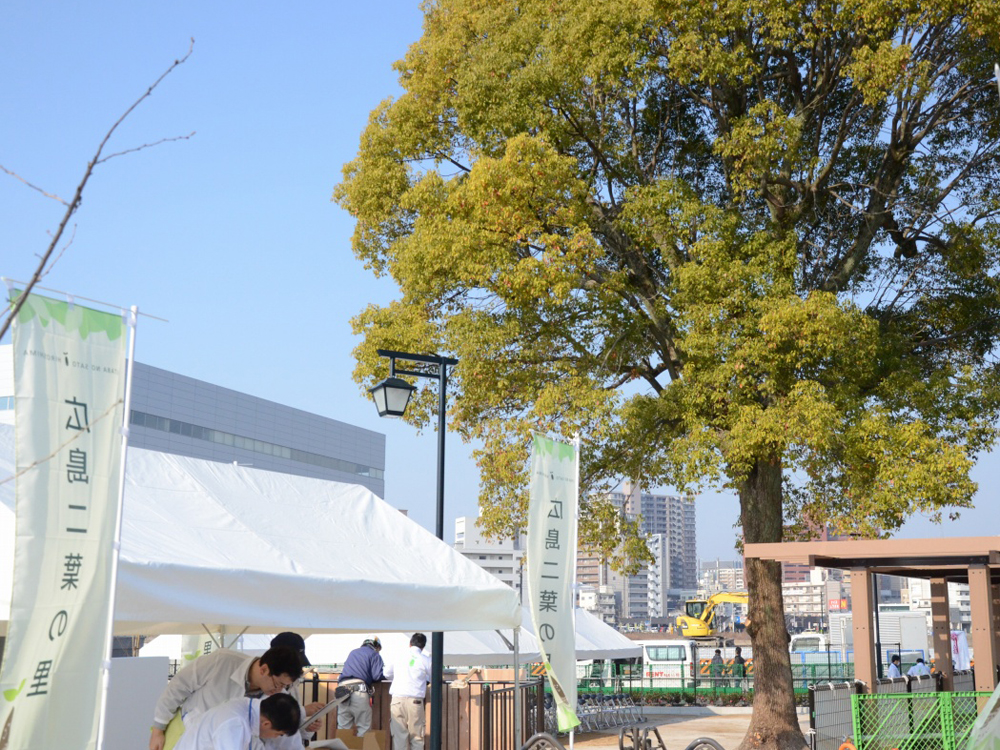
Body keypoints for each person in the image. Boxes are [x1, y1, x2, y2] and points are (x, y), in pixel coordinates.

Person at [149, 645, 304, 750]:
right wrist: (158, 728)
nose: (280, 690)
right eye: (278, 684)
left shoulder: (275, 699)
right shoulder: (222, 661)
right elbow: (178, 686)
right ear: (264, 670)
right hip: (184, 732)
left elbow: (287, 739)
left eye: (285, 686)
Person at [173, 693, 301, 750]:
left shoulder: (244, 706)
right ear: (266, 724)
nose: (275, 738)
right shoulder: (234, 724)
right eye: (278, 734)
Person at [385, 633, 433, 750]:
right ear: (423, 647)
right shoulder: (426, 660)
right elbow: (434, 678)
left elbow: (386, 674)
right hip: (415, 702)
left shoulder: (398, 656)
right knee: (416, 737)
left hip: (397, 700)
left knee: (399, 737)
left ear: (410, 643)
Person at [338, 637, 385, 736]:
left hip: (342, 690)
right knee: (363, 728)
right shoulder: (374, 654)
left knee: (343, 728)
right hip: (359, 691)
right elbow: (377, 676)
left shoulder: (353, 652)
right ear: (376, 647)